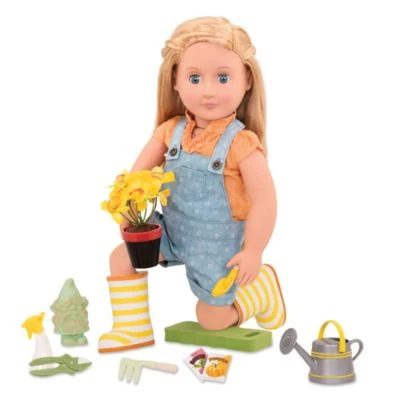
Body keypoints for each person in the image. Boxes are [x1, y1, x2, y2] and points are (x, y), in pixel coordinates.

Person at [98, 16, 286, 353]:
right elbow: (136, 178)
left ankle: (261, 289)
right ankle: (132, 329)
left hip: (217, 245)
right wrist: (128, 210)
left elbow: (265, 200)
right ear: (175, 80)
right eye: (195, 78)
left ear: (246, 80)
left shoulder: (242, 143)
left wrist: (253, 250)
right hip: (171, 231)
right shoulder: (170, 132)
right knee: (121, 257)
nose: (208, 90)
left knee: (211, 318)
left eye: (223, 78)